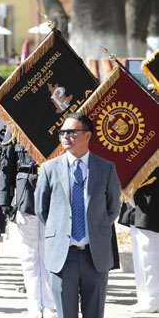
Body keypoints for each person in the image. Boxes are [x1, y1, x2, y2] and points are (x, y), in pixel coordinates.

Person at [34, 112, 121, 318]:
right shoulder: (49, 168)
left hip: (95, 255)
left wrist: (96, 228)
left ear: (88, 135)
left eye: (72, 132)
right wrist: (61, 229)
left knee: (95, 313)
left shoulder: (106, 168)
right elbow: (41, 209)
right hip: (63, 256)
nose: (65, 136)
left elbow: (113, 207)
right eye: (62, 132)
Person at [0, 130, 55, 317]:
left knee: (49, 254)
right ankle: (34, 303)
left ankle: (49, 303)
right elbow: (6, 167)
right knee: (29, 256)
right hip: (25, 197)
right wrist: (4, 200)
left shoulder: (53, 126)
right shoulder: (13, 131)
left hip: (52, 195)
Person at [118, 166, 159, 313]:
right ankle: (144, 296)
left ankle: (153, 297)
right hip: (136, 188)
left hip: (152, 189)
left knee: (149, 249)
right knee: (140, 248)